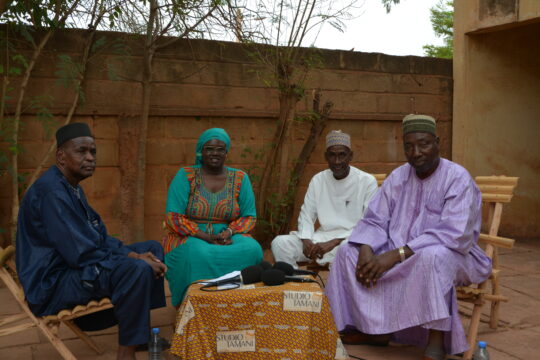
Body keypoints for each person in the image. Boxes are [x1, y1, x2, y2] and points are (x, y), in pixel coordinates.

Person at [325, 114, 491, 360]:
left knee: (432, 257)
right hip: (399, 251)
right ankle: (372, 329)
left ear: (437, 142)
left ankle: (435, 342)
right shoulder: (398, 177)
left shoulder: (457, 178)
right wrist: (366, 248)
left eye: (423, 144)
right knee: (346, 252)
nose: (416, 152)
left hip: (455, 256)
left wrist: (396, 255)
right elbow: (374, 219)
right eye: (409, 146)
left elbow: (455, 234)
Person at [16, 123, 167, 360]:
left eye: (93, 152)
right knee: (135, 269)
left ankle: (140, 334)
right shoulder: (52, 192)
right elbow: (81, 253)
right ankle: (126, 352)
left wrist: (135, 254)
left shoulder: (71, 186)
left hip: (74, 268)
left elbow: (95, 238)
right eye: (81, 151)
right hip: (54, 284)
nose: (90, 157)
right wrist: (133, 259)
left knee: (152, 249)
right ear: (61, 156)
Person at [163, 128, 263, 306]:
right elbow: (173, 217)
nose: (215, 153)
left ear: (226, 152)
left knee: (252, 249)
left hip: (228, 234)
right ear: (201, 151)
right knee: (197, 253)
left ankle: (240, 305)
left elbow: (249, 216)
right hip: (191, 235)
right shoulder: (186, 175)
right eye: (209, 149)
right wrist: (205, 236)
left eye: (220, 149)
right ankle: (193, 308)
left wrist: (229, 232)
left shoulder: (240, 178)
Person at [271, 130, 378, 268]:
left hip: (350, 240)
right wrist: (306, 240)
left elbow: (368, 222)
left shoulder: (367, 181)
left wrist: (334, 242)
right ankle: (298, 281)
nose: (337, 161)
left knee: (347, 249)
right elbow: (307, 214)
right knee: (280, 243)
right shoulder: (318, 180)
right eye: (332, 155)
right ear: (326, 157)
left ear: (350, 156)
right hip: (321, 239)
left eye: (342, 155)